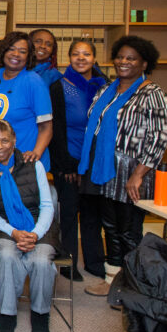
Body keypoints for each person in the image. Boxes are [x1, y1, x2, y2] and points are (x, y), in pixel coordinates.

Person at [78, 36, 167, 298]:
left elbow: (159, 139)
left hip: (131, 172)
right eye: (120, 57)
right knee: (110, 227)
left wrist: (139, 174)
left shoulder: (153, 94)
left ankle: (131, 287)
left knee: (129, 231)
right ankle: (111, 281)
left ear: (144, 63)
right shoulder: (107, 89)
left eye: (131, 58)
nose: (123, 62)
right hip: (105, 168)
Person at [0, 120, 58, 332]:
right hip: (3, 227)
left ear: (14, 141)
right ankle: (7, 314)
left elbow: (47, 205)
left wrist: (36, 233)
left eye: (4, 140)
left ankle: (40, 314)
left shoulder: (34, 165)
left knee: (41, 260)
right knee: (7, 254)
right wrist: (14, 232)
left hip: (38, 225)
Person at [48, 40, 108, 282]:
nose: (81, 58)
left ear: (94, 58)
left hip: (96, 163)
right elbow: (56, 129)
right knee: (69, 215)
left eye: (86, 54)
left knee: (93, 215)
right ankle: (68, 264)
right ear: (68, 57)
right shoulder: (59, 87)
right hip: (69, 162)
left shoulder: (106, 88)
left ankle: (95, 263)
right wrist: (67, 166)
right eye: (76, 54)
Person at [0, 32, 53, 170]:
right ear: (4, 51)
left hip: (26, 162)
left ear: (28, 56)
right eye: (11, 49)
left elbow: (46, 127)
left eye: (22, 51)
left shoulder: (34, 81)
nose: (16, 54)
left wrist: (36, 154)